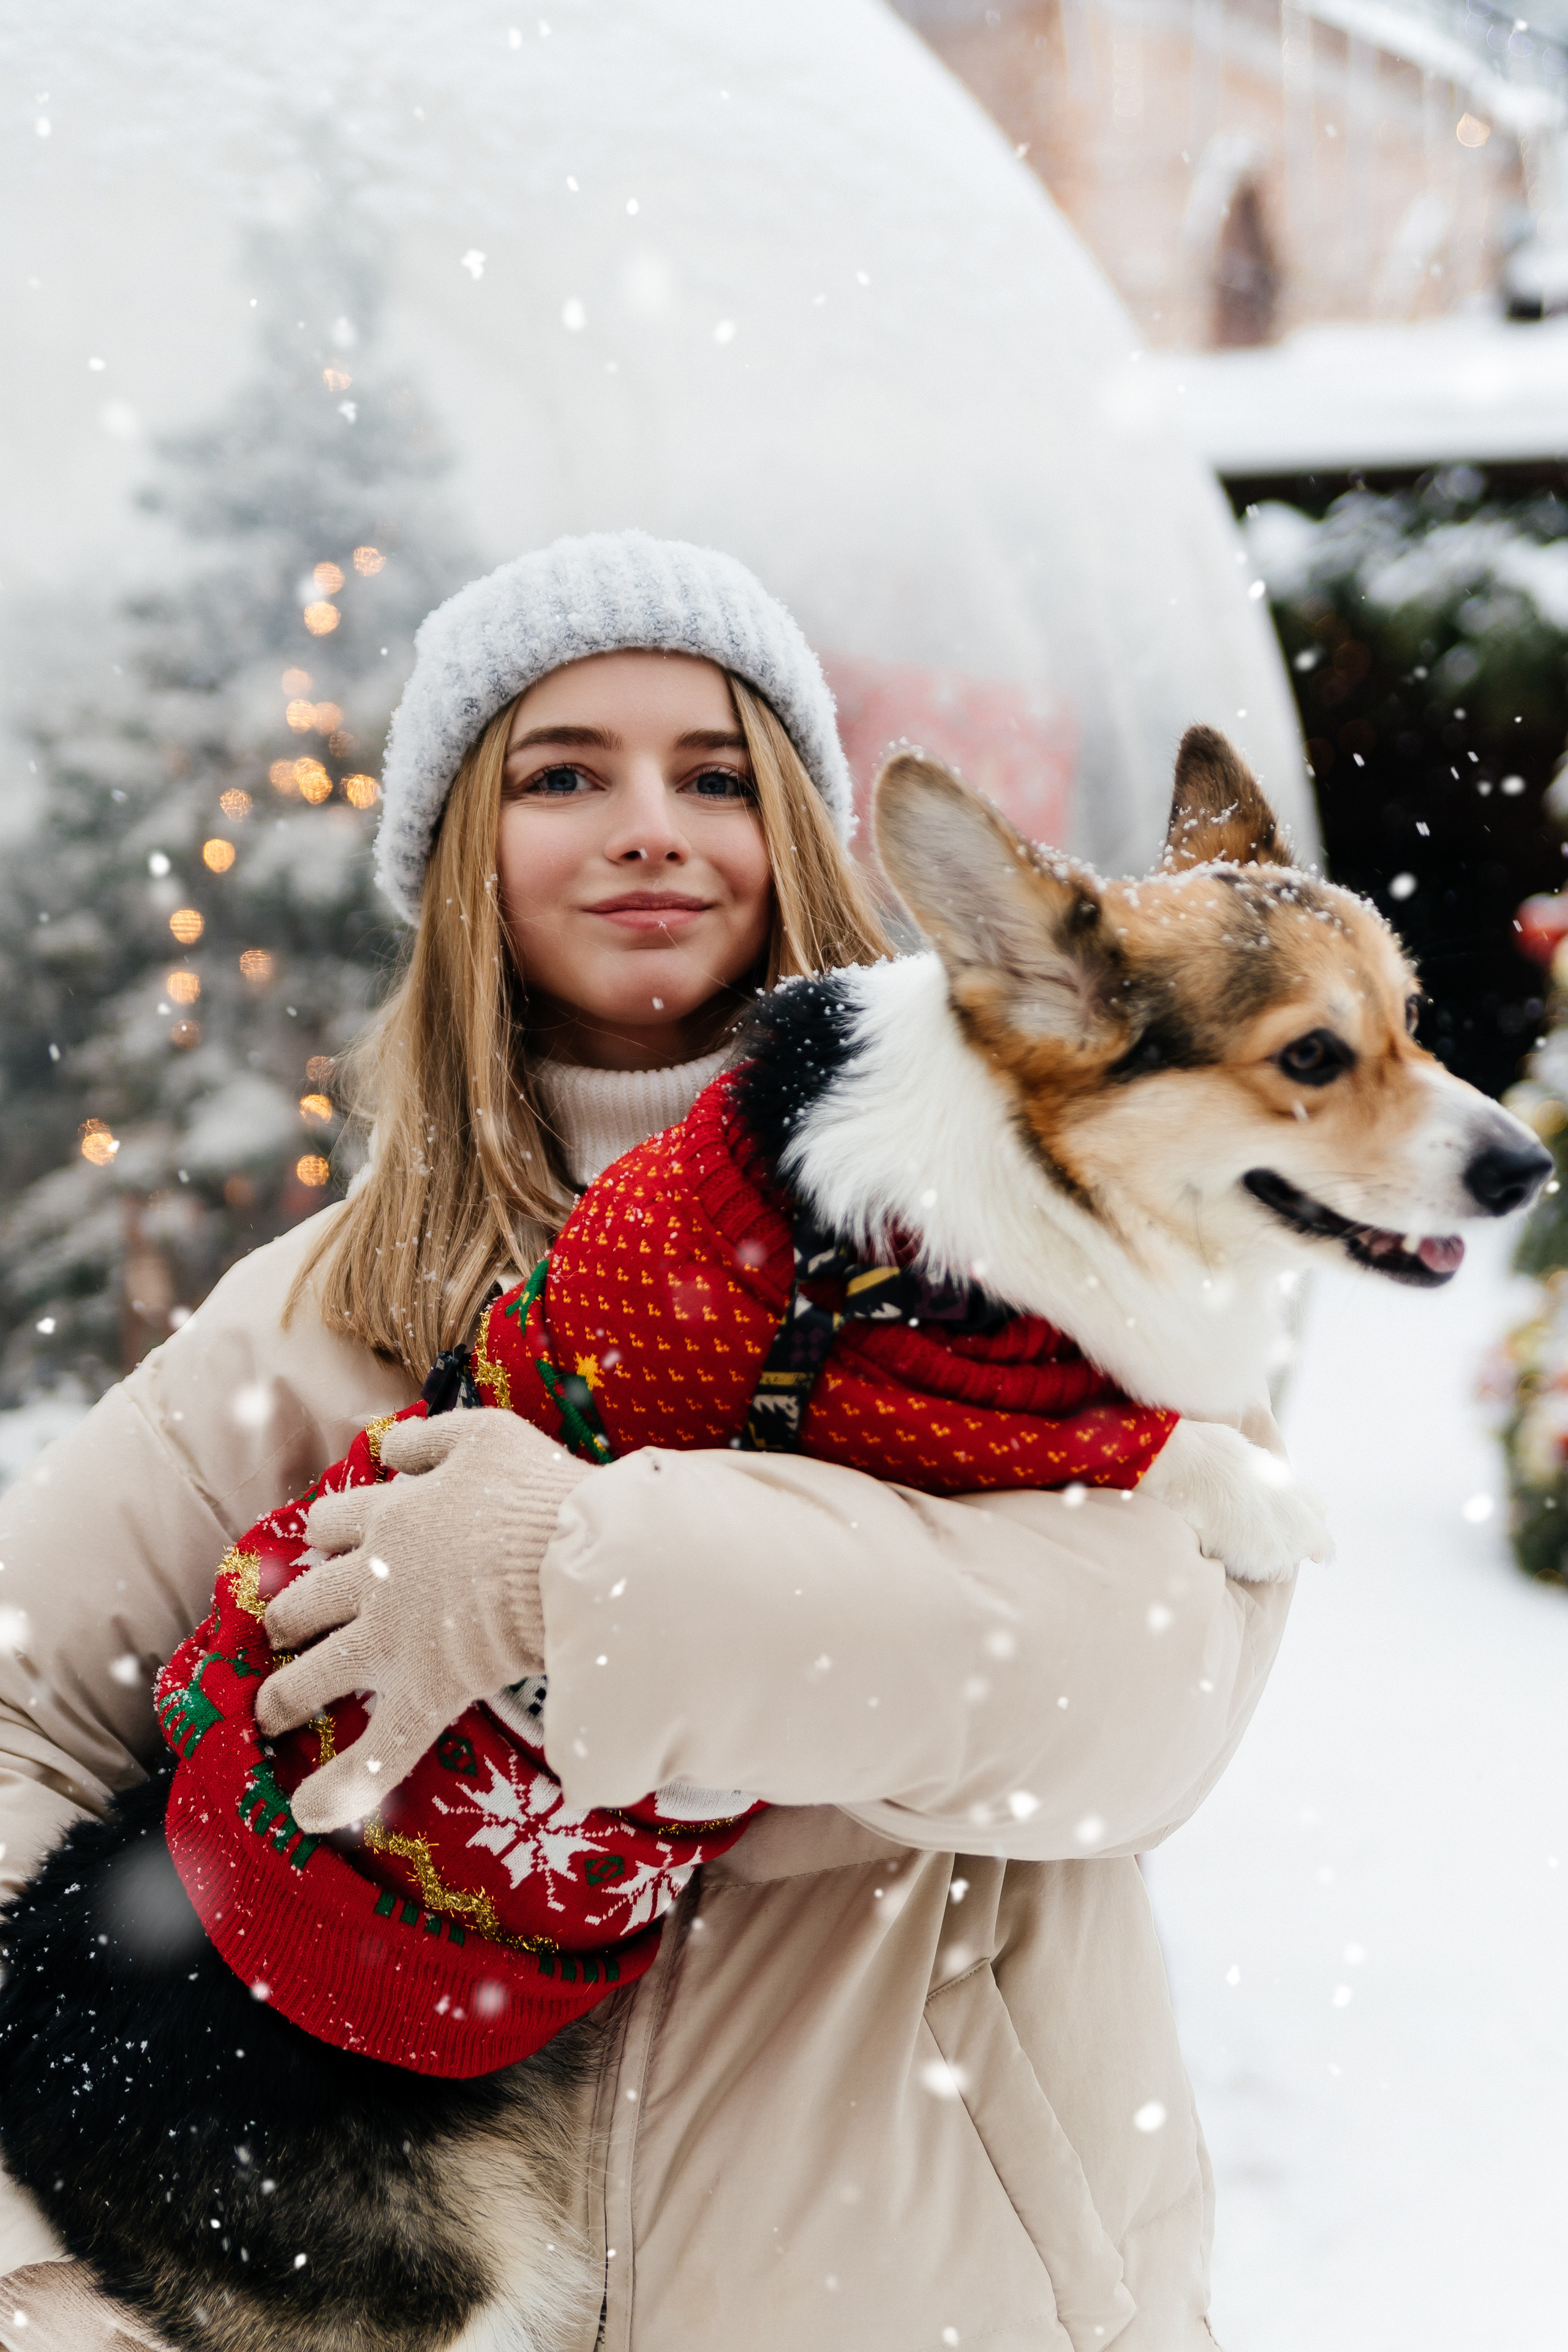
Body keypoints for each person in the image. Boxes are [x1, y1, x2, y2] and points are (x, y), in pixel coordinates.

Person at [0, 532, 1293, 2352]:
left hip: (925, 2297)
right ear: (467, 857)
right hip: (402, 2282)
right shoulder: (315, 1312)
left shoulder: (1068, 1241)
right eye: (560, 775)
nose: (648, 829)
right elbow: (19, 1711)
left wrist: (576, 1579)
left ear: (801, 828)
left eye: (714, 773)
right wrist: (67, 2283)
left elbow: (1142, 1707)